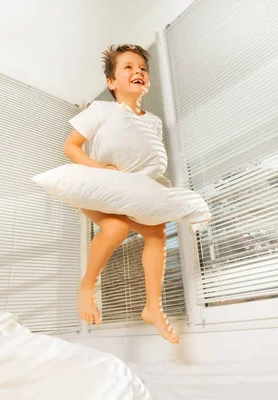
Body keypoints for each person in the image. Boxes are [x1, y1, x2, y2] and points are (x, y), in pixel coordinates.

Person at [63, 44, 179, 344]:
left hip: (133, 193)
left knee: (157, 231)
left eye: (142, 68)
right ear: (111, 82)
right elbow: (70, 147)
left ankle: (153, 307)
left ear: (147, 81)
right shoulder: (102, 110)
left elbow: (151, 161)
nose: (137, 71)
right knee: (115, 227)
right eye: (128, 67)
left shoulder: (153, 123)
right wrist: (101, 170)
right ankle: (88, 285)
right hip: (100, 189)